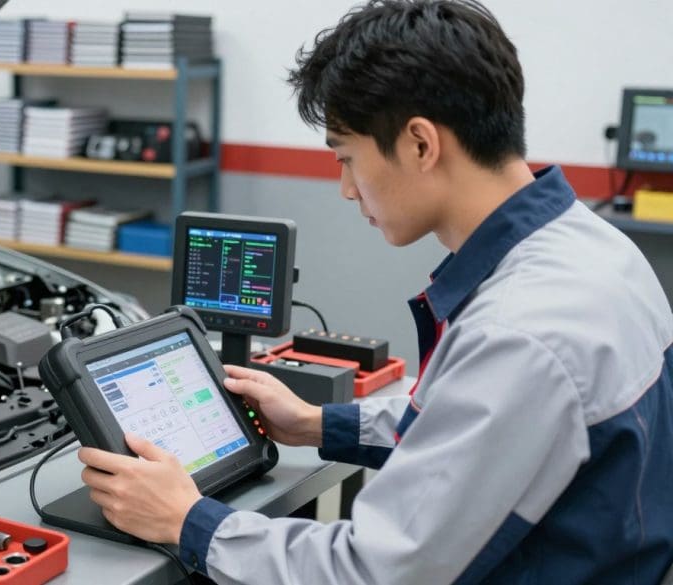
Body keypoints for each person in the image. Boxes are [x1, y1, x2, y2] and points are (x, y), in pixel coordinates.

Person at [76, 1, 673, 582]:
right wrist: (318, 423)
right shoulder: (593, 245)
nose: (345, 188)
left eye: (346, 158)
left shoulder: (521, 332)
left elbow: (376, 570)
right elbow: (482, 436)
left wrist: (189, 522)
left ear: (420, 143)